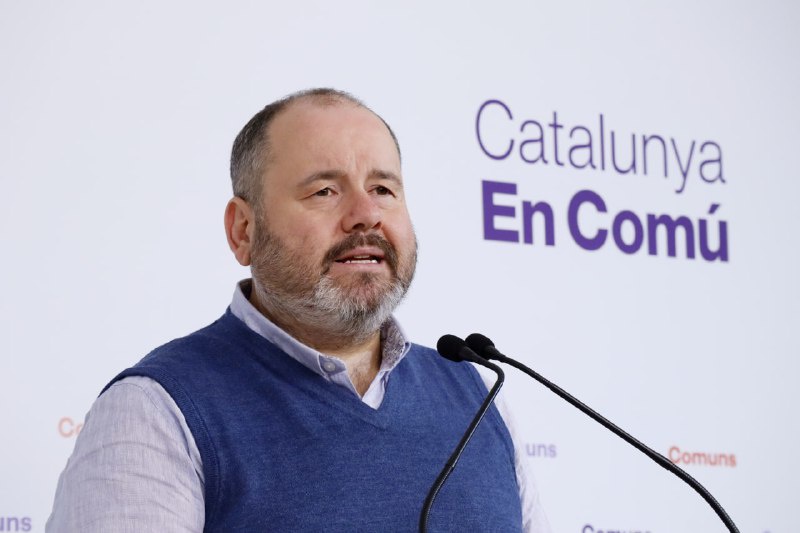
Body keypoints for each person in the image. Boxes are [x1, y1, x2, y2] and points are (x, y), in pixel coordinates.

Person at [47, 89, 551, 532]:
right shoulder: (156, 411)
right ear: (243, 231)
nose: (366, 215)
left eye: (383, 189)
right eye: (324, 191)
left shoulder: (476, 393)